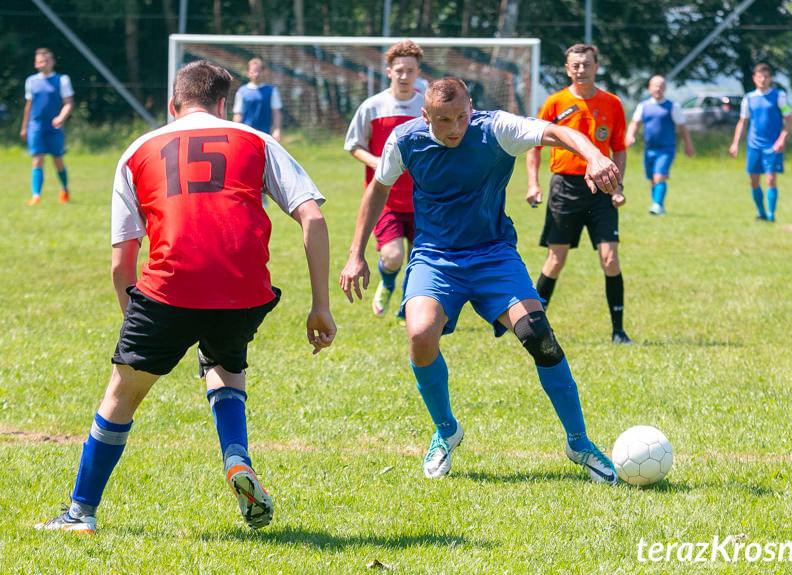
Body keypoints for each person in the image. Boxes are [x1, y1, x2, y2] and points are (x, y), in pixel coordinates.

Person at [35, 60, 336, 534]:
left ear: (174, 106)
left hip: (167, 292)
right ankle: (237, 461)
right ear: (223, 105)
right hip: (243, 291)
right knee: (225, 366)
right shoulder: (256, 140)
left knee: (123, 394)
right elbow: (313, 219)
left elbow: (121, 263)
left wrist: (135, 325)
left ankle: (80, 513)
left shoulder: (138, 150)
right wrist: (320, 305)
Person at [340, 77, 621, 484]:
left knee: (539, 337)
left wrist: (594, 156)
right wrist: (355, 254)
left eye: (461, 117)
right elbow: (378, 190)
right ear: (425, 115)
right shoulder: (406, 140)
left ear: (471, 106)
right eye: (443, 120)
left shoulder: (495, 129)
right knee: (420, 335)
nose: (455, 128)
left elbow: (556, 132)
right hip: (435, 258)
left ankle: (579, 442)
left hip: (493, 255)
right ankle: (445, 431)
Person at [525, 44, 633, 345]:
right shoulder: (554, 103)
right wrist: (533, 184)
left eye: (586, 64)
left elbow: (619, 148)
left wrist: (617, 186)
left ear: (596, 66)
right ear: (567, 68)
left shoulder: (612, 103)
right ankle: (535, 327)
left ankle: (619, 331)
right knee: (555, 260)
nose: (580, 69)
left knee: (610, 259)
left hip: (601, 190)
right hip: (565, 188)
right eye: (575, 64)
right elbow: (533, 146)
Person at [344, 40, 425, 317]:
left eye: (410, 71)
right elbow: (354, 145)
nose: (404, 76)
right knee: (392, 257)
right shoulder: (373, 106)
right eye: (399, 70)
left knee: (421, 260)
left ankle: (408, 308)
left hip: (424, 198)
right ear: (389, 71)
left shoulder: (428, 105)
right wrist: (379, 164)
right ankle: (388, 283)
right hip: (385, 199)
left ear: (418, 73)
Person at [729, 63, 792, 222]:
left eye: (766, 77)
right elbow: (742, 122)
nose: (763, 80)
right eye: (759, 77)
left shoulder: (779, 96)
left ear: (770, 78)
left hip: (772, 145)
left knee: (771, 178)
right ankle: (761, 212)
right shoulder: (749, 98)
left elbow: (789, 121)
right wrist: (736, 142)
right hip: (754, 145)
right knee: (753, 180)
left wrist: (782, 138)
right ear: (754, 78)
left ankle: (771, 214)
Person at [624, 75, 695, 215]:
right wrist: (630, 135)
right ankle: (657, 205)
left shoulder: (673, 107)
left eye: (661, 85)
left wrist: (688, 145)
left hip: (667, 149)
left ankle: (657, 205)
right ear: (650, 88)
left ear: (665, 88)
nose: (658, 88)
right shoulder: (643, 106)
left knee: (659, 176)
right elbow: (634, 123)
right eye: (655, 85)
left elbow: (682, 128)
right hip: (649, 149)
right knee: (652, 179)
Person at [20, 48, 74, 206]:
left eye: (46, 61)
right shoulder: (31, 81)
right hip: (36, 126)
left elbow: (68, 103)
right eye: (39, 61)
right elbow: (28, 106)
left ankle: (64, 189)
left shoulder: (62, 80)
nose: (43, 64)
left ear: (52, 62)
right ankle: (36, 195)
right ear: (35, 64)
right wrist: (24, 127)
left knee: (57, 160)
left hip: (54, 127)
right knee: (37, 160)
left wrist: (61, 117)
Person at [233, 57, 282, 141]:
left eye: (258, 72)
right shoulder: (241, 91)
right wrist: (234, 132)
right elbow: (238, 114)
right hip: (246, 135)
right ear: (248, 73)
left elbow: (276, 112)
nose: (256, 74)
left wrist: (277, 130)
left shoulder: (272, 91)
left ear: (263, 72)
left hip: (265, 135)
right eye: (253, 72)